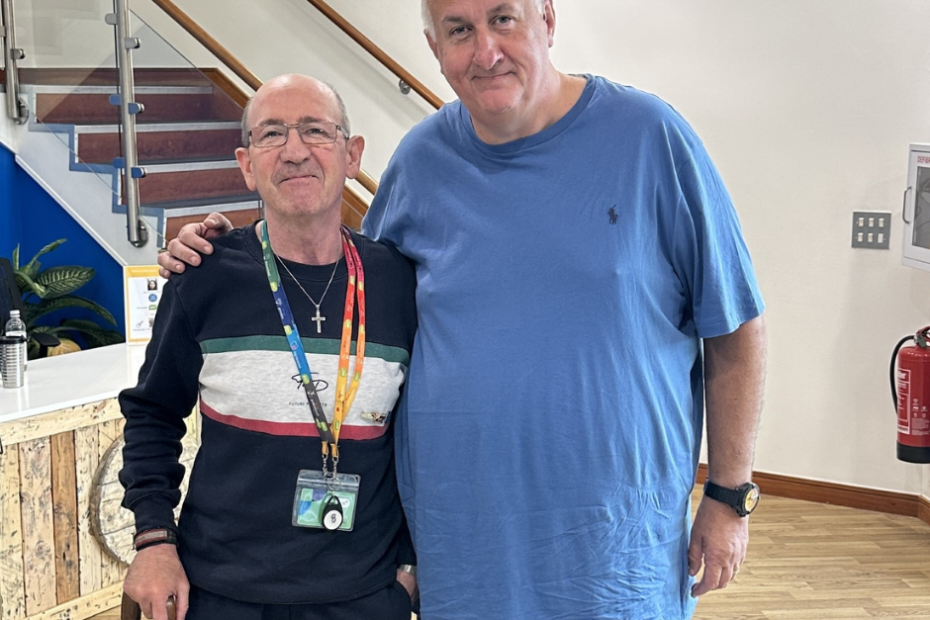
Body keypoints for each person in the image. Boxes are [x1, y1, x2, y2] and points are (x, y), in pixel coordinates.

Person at [158, 1, 767, 618]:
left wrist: (728, 494)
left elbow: (737, 327)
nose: (485, 50)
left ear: (547, 20)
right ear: (434, 47)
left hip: (612, 549)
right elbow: (352, 295)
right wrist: (222, 248)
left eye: (503, 18)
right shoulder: (422, 161)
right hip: (462, 551)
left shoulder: (649, 137)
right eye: (459, 30)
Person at [121, 74, 418, 620]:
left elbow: (422, 435)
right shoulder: (203, 276)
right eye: (272, 134)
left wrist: (409, 570)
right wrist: (154, 539)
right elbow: (152, 415)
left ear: (352, 155)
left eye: (315, 131)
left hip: (364, 595)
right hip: (220, 593)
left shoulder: (400, 283)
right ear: (246, 163)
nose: (295, 150)